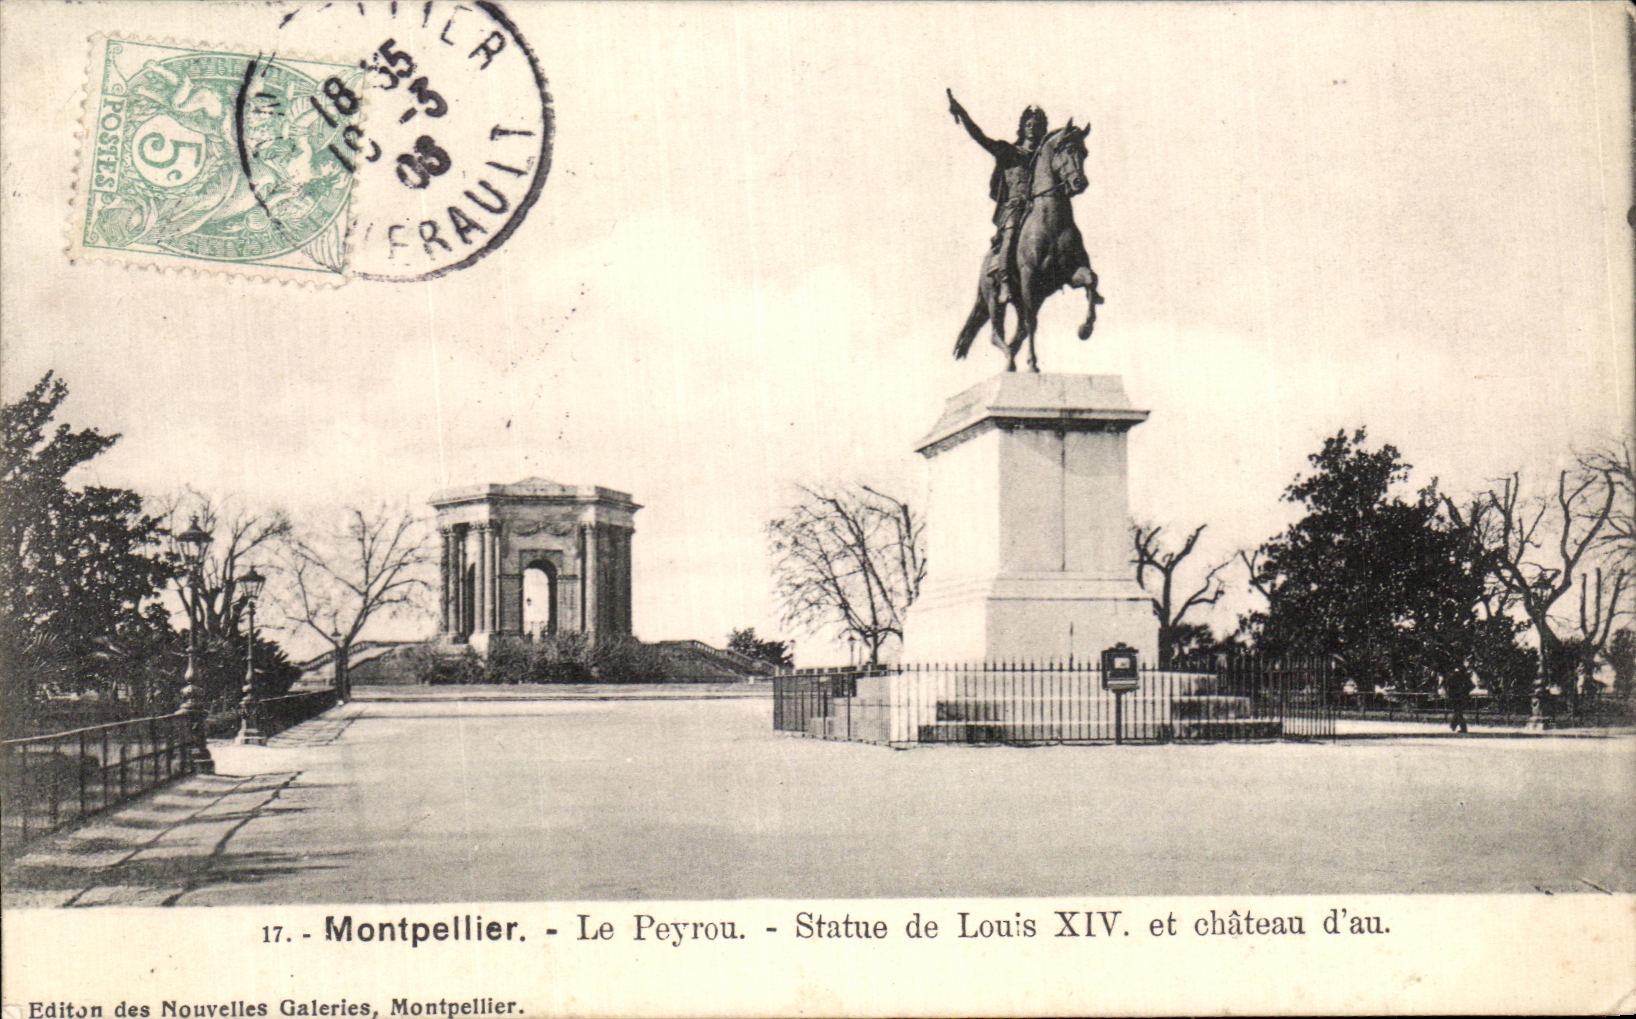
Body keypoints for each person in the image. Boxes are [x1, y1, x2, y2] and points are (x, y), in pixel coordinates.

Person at [947, 91, 1048, 305]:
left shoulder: (1042, 158)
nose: (1032, 127)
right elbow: (980, 137)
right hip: (1013, 208)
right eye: (1029, 123)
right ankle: (1004, 282)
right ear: (1022, 127)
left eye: (1037, 124)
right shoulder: (1008, 151)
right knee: (1010, 234)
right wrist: (962, 113)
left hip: (1037, 208)